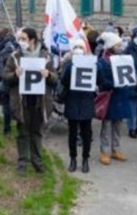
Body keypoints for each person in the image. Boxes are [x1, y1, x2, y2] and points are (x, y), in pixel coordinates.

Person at [2, 27, 57, 174]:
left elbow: (55, 78)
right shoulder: (14, 57)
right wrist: (15, 74)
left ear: (32, 40)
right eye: (19, 39)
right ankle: (22, 162)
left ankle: (37, 161)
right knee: (22, 132)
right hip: (22, 102)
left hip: (40, 102)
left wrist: (49, 75)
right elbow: (5, 76)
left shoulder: (46, 57)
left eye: (24, 39)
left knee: (37, 132)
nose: (21, 42)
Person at [58, 39, 95, 173]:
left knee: (86, 133)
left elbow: (100, 80)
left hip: (86, 101)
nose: (79, 49)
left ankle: (85, 158)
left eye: (81, 47)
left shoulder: (92, 63)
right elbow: (63, 80)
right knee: (72, 133)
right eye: (76, 47)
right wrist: (70, 65)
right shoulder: (69, 64)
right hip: (73, 100)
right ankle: (73, 158)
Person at [96, 32, 132, 165]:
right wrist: (113, 84)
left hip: (120, 94)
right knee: (106, 124)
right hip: (109, 95)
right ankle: (104, 151)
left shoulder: (123, 59)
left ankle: (116, 149)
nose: (120, 47)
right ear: (111, 45)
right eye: (117, 44)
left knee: (118, 123)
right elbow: (101, 80)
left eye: (121, 44)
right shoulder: (103, 61)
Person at [123, 28, 137, 138]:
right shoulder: (128, 50)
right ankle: (132, 128)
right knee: (132, 106)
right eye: (136, 37)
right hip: (131, 81)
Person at [0, 27, 17, 137]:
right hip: (11, 85)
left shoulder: (2, 54)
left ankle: (7, 129)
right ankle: (9, 129)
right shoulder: (10, 55)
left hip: (7, 85)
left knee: (7, 108)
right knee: (10, 108)